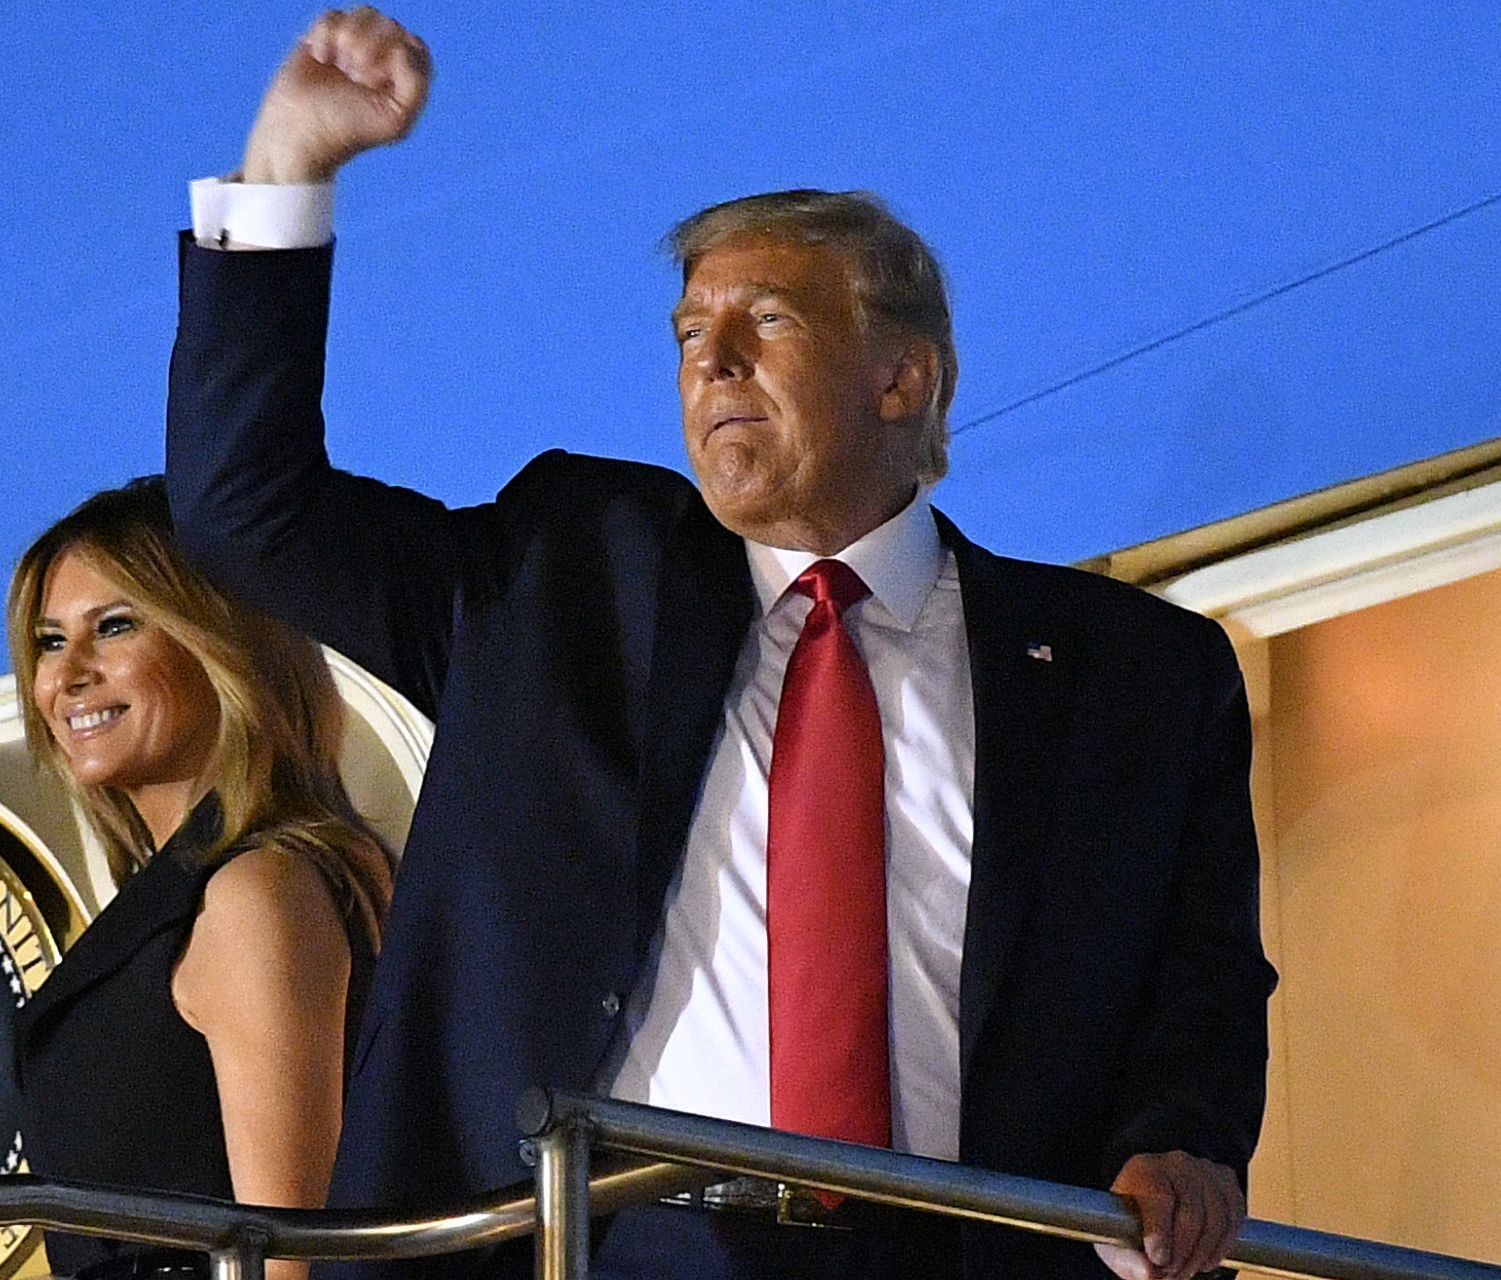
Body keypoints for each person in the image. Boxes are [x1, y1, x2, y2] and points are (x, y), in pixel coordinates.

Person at [165, 10, 1276, 1279]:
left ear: (901, 377)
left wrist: (1180, 1142)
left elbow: (1202, 980)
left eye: (766, 322)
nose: (713, 361)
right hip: (603, 1237)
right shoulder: (557, 577)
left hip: (963, 1252)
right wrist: (285, 171)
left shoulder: (1138, 677)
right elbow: (245, 510)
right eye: (691, 333)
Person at [6, 478, 392, 1280]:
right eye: (48, 642)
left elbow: (288, 1257)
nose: (68, 674)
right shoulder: (184, 895)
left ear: (219, 643)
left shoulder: (257, 892)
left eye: (113, 627)